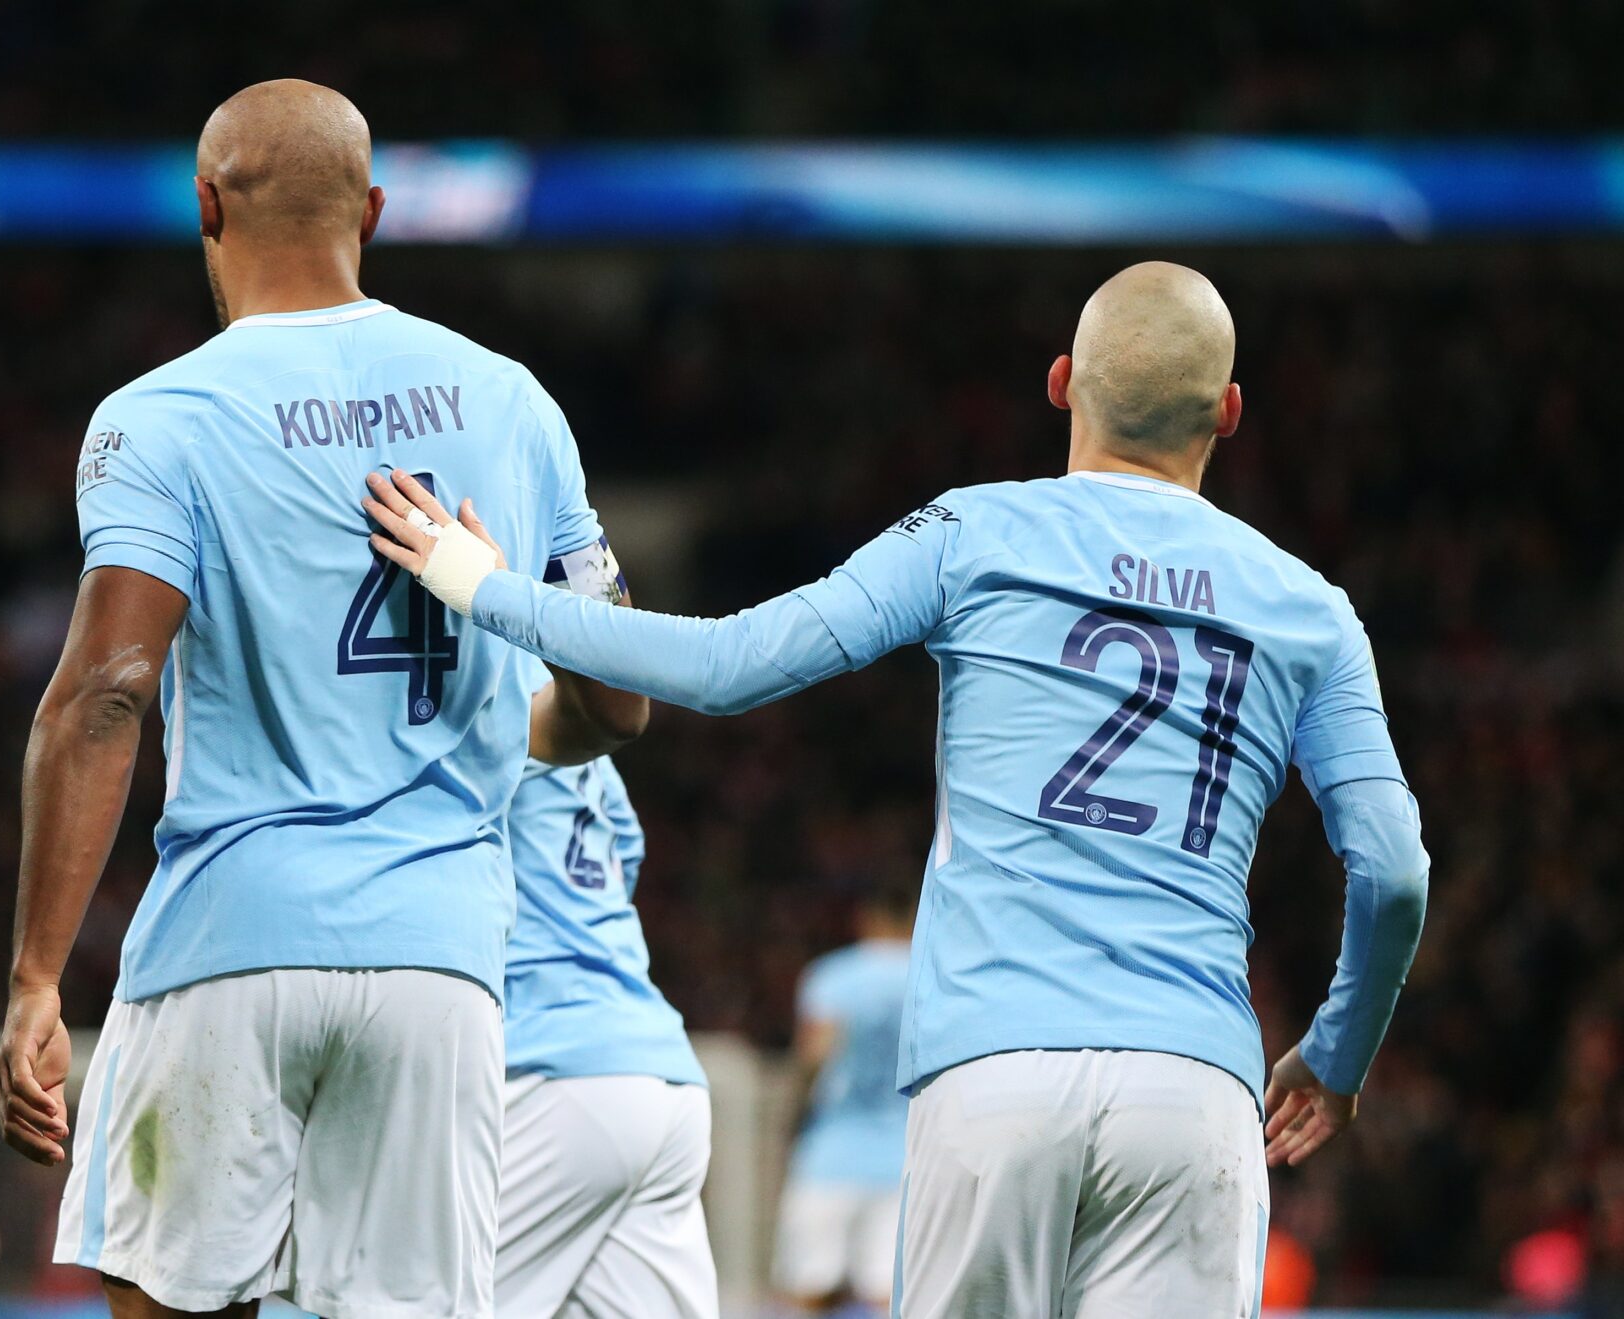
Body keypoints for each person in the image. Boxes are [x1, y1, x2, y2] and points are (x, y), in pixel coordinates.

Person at [361, 261, 1431, 1316]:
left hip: (993, 1070)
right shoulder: (1310, 608)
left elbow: (727, 666)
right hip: (1192, 1084)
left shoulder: (975, 533)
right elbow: (1391, 868)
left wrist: (481, 586)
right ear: (1229, 411)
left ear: (1060, 382)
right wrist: (1334, 1056)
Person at [0, 80, 646, 1319]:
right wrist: (512, 722)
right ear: (377, 211)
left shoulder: (161, 416)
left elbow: (107, 693)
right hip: (440, 966)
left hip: (229, 940)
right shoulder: (510, 398)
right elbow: (618, 703)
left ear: (205, 205)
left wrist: (34, 975)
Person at [494, 658, 716, 1319]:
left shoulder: (468, 690)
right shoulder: (589, 746)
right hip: (658, 1075)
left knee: (407, 1298)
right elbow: (625, 862)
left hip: (543, 1068)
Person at [772, 881, 915, 1315]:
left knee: (808, 1290)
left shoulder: (833, 977)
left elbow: (813, 1059)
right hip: (903, 1159)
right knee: (887, 1295)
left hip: (831, 1154)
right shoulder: (930, 976)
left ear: (867, 918)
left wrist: (790, 1123)